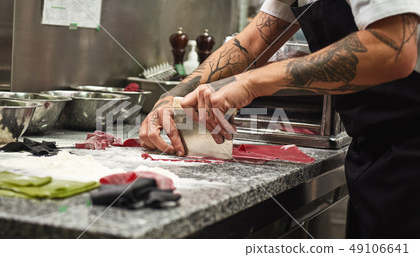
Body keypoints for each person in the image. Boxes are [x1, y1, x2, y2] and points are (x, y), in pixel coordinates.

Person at [140, 0, 420, 238]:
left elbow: (392, 48)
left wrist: (251, 83)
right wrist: (169, 99)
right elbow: (250, 44)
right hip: (376, 152)